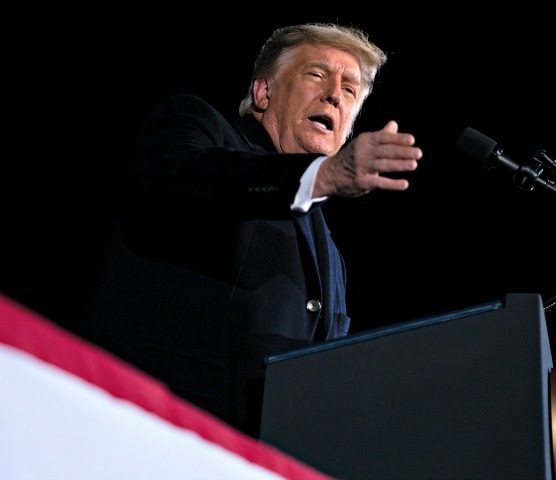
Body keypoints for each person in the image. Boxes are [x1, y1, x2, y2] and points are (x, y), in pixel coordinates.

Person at [86, 23, 422, 436]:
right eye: (317, 74)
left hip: (265, 448)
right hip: (162, 422)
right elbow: (183, 179)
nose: (335, 93)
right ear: (264, 93)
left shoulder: (329, 247)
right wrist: (323, 176)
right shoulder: (198, 125)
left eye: (350, 89)